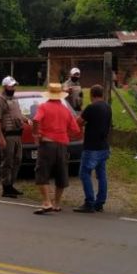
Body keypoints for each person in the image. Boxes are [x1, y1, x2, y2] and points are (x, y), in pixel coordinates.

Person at [32, 83, 81, 214]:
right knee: (61, 174)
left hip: (47, 144)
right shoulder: (65, 110)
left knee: (42, 173)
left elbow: (36, 120)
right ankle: (57, 203)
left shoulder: (43, 107)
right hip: (62, 145)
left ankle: (47, 201)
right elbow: (76, 129)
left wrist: (36, 134)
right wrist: (65, 135)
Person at [74, 84, 111, 213]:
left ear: (91, 95)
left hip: (91, 146)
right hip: (104, 146)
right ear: (102, 94)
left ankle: (89, 202)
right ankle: (100, 202)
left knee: (84, 173)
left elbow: (79, 122)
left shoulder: (91, 107)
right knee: (101, 175)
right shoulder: (107, 107)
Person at [0, 75, 29, 198]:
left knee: (17, 160)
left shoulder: (14, 99)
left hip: (17, 135)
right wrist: (1, 138)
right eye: (11, 86)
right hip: (8, 135)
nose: (13, 88)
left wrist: (26, 120)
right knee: (7, 161)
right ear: (5, 86)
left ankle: (11, 185)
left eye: (14, 86)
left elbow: (17, 114)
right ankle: (6, 187)